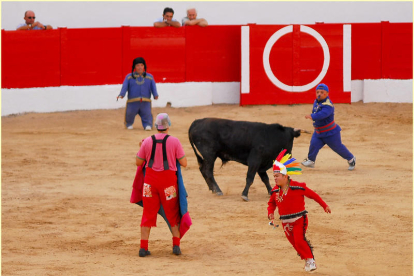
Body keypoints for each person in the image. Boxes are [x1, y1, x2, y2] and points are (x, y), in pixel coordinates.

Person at [267, 149, 331, 272]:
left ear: (285, 176)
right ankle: (307, 259)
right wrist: (270, 212)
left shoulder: (297, 186)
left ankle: (311, 261)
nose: (275, 178)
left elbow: (313, 195)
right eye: (274, 176)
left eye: (277, 176)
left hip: (299, 219)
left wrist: (324, 205)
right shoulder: (275, 190)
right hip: (285, 222)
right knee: (295, 244)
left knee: (299, 240)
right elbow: (271, 203)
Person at [136, 113, 188, 257]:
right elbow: (184, 163)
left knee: (147, 213)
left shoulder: (147, 141)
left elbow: (138, 162)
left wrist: (141, 148)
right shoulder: (175, 142)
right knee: (172, 213)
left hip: (150, 184)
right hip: (168, 185)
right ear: (168, 126)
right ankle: (176, 245)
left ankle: (143, 247)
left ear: (156, 127)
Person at [301, 83, 356, 170]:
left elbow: (322, 114)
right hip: (318, 132)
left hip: (330, 133)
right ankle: (311, 161)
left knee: (338, 148)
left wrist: (312, 116)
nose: (319, 94)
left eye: (321, 92)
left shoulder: (328, 105)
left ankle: (351, 158)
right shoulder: (316, 102)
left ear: (326, 94)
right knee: (313, 145)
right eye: (317, 92)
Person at [117, 57, 158, 130]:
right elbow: (125, 87)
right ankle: (128, 124)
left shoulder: (150, 77)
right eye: (138, 65)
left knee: (147, 114)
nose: (140, 67)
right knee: (130, 114)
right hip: (132, 102)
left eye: (142, 65)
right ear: (134, 67)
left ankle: (148, 125)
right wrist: (121, 94)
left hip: (145, 101)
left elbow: (153, 87)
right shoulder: (129, 77)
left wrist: (155, 95)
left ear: (144, 66)